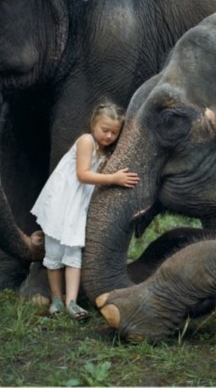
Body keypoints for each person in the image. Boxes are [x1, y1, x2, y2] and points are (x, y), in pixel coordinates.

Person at [31, 102, 139, 322]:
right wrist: (114, 179)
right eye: (105, 130)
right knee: (54, 253)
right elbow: (82, 174)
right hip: (62, 203)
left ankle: (72, 301)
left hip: (77, 207)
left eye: (114, 132)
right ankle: (56, 299)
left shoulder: (104, 150)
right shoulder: (86, 141)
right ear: (93, 124)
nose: (109, 136)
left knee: (73, 253)